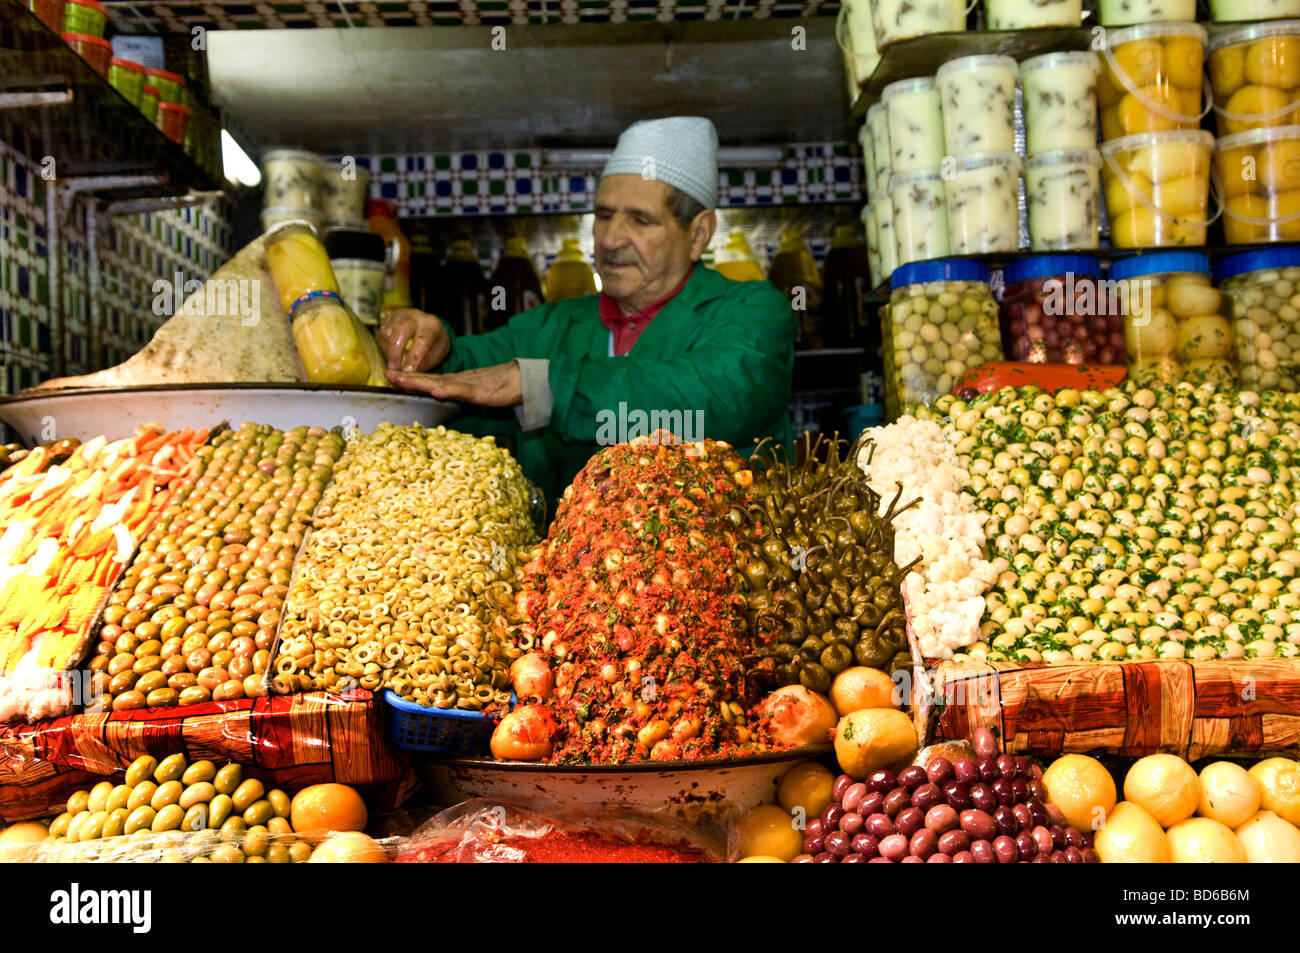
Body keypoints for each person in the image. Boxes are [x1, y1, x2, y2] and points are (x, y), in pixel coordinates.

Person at [379, 116, 796, 513]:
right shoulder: (549, 327)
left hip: (727, 577)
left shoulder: (753, 312)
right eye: (603, 215)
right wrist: (432, 345)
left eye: (640, 220)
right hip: (571, 579)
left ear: (699, 234)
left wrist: (544, 385)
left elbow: (712, 398)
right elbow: (464, 374)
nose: (611, 239)